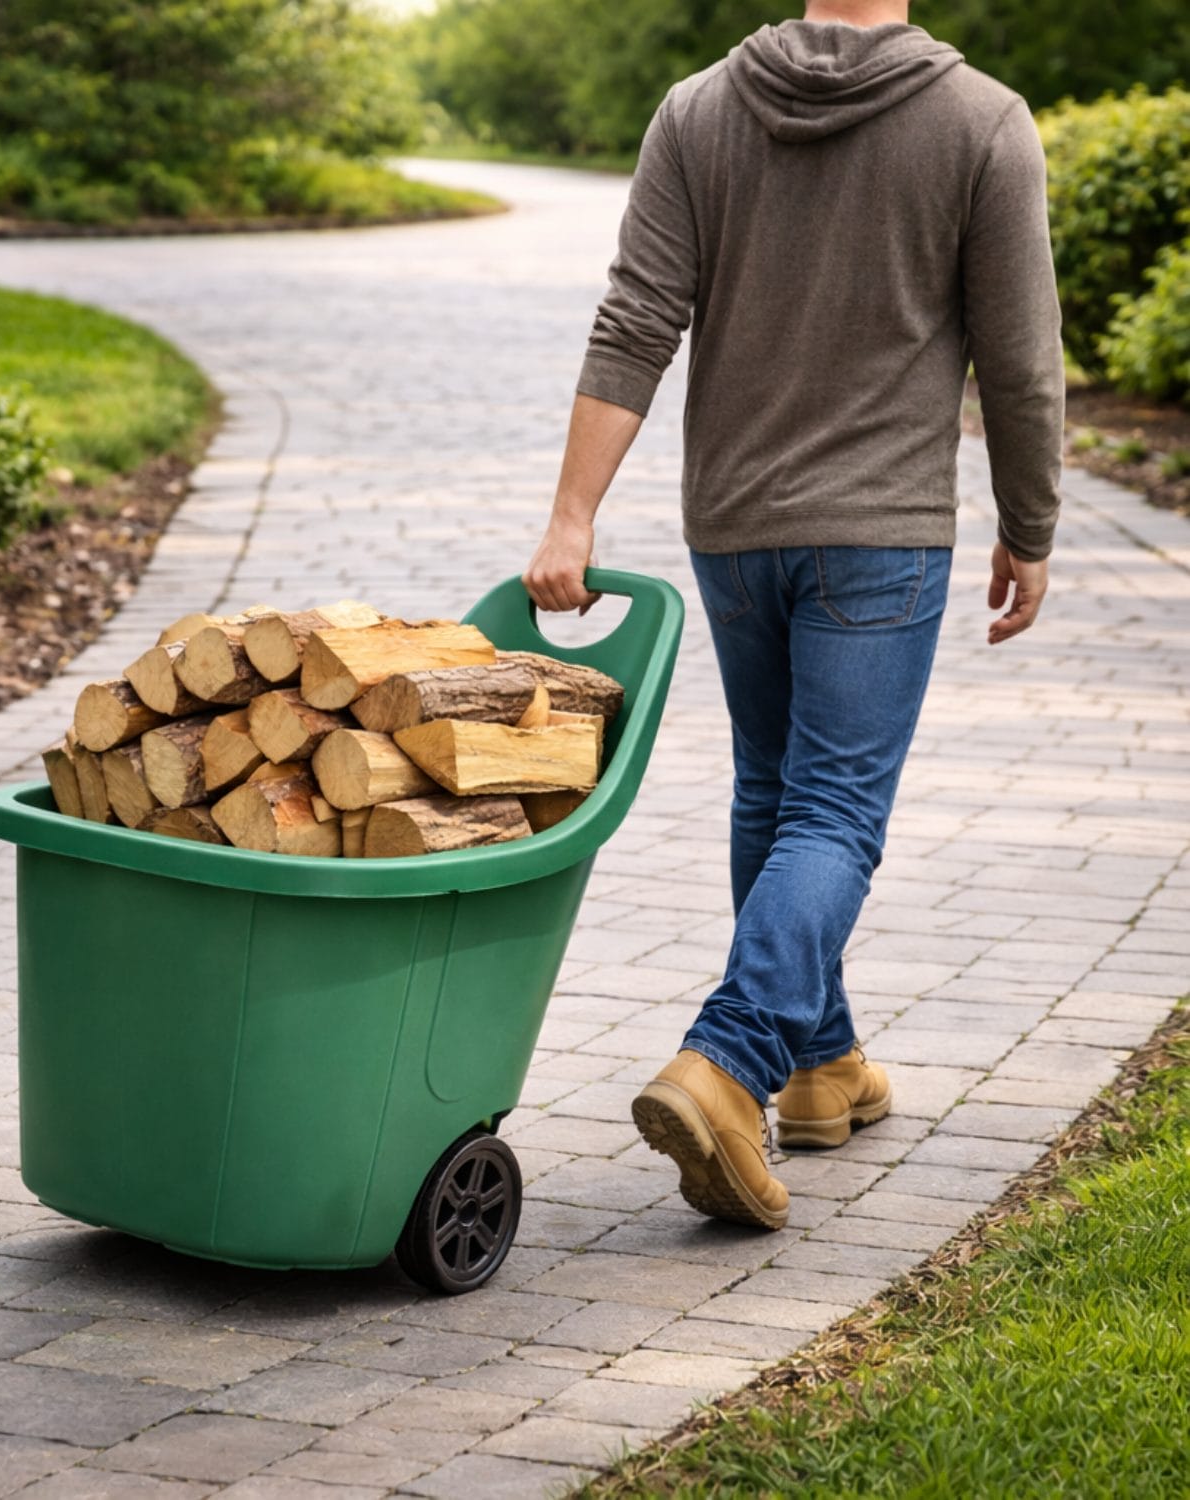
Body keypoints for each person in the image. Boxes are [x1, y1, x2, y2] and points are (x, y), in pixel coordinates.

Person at [522, 0, 1063, 1230]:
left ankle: (821, 1067)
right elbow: (1021, 359)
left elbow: (635, 320)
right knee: (833, 812)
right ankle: (731, 1060)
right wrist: (1029, 525)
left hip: (735, 525)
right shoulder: (983, 122)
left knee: (773, 792)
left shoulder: (698, 110)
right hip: (880, 532)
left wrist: (572, 518)